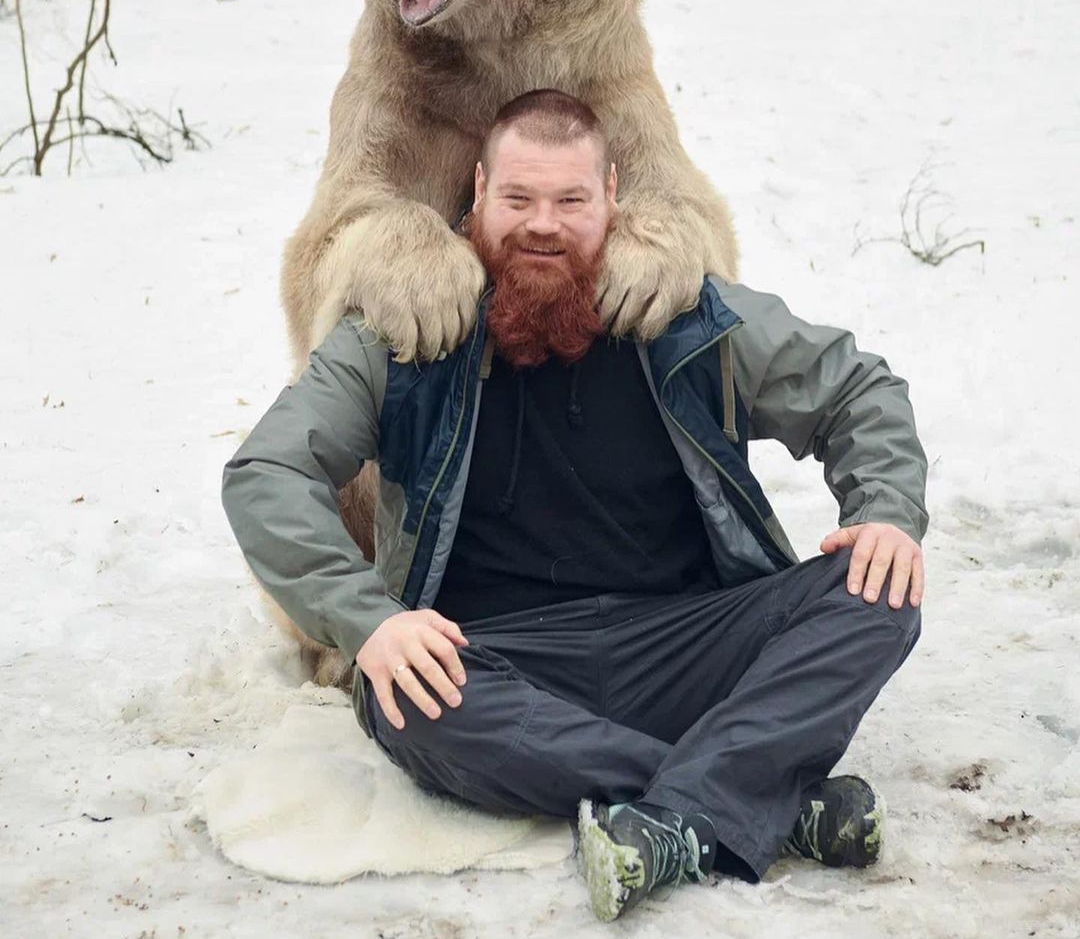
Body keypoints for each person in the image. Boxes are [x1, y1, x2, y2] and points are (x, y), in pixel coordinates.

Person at [222, 89, 927, 923]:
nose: (543, 226)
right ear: (477, 193)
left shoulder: (685, 314)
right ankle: (758, 796)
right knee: (401, 696)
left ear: (612, 200)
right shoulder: (403, 330)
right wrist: (369, 620)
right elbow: (267, 470)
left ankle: (677, 810)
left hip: (687, 645)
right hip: (493, 663)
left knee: (879, 587)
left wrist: (886, 511)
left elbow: (857, 389)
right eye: (518, 199)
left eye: (570, 201)